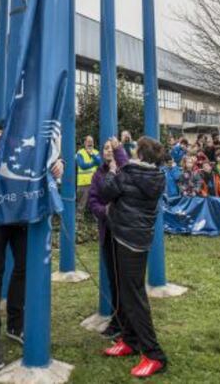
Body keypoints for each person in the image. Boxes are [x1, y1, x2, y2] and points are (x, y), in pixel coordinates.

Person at [0, 122, 64, 371]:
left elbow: (53, 156)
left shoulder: (37, 132)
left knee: (23, 267)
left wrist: (59, 164)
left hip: (20, 213)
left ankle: (16, 324)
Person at [101, 136, 167, 377]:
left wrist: (111, 170)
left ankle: (154, 354)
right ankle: (130, 340)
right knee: (128, 294)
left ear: (140, 154)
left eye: (135, 149)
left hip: (127, 240)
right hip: (136, 239)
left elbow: (107, 191)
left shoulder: (128, 172)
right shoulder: (156, 175)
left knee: (135, 297)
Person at [87, 136, 129, 339]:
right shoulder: (98, 175)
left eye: (112, 148)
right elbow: (93, 201)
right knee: (114, 279)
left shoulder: (127, 170)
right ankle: (118, 319)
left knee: (127, 280)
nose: (109, 150)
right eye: (105, 148)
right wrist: (105, 212)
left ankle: (127, 321)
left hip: (126, 233)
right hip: (109, 232)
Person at [75, 135, 101, 211]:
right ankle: (79, 220)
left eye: (92, 142)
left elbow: (99, 163)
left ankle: (97, 220)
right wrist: (94, 163)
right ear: (85, 143)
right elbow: (82, 165)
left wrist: (92, 155)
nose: (90, 143)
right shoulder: (80, 152)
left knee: (96, 203)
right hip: (83, 183)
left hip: (94, 182)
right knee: (81, 204)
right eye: (88, 141)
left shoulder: (96, 152)